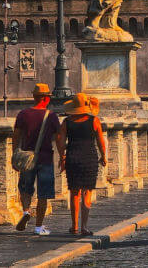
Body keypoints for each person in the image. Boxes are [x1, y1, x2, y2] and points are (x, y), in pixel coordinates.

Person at [55, 93, 107, 236]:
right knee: (87, 192)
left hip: (73, 157)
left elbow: (59, 140)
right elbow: (100, 142)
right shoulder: (94, 121)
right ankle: (84, 226)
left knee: (74, 193)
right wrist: (103, 156)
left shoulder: (67, 122)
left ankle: (74, 226)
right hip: (89, 158)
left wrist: (62, 157)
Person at [13, 83, 59, 236]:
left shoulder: (23, 114)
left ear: (34, 97)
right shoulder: (51, 116)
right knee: (43, 194)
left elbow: (16, 135)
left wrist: (15, 154)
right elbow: (58, 137)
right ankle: (39, 227)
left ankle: (26, 211)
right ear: (46, 98)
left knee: (25, 188)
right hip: (45, 158)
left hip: (27, 158)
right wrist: (63, 155)